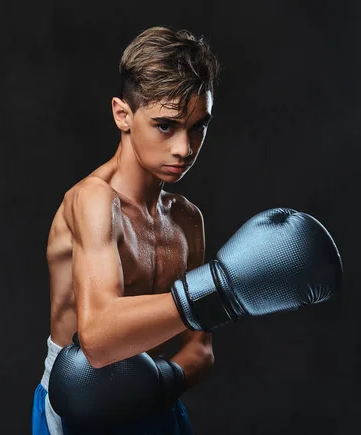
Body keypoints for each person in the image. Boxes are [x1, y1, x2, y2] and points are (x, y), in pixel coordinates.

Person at [32, 25, 341, 435]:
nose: (184, 148)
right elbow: (99, 337)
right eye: (165, 126)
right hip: (81, 406)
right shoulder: (93, 201)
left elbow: (200, 351)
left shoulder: (186, 219)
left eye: (198, 127)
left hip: (157, 397)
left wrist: (161, 383)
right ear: (122, 114)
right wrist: (220, 290)